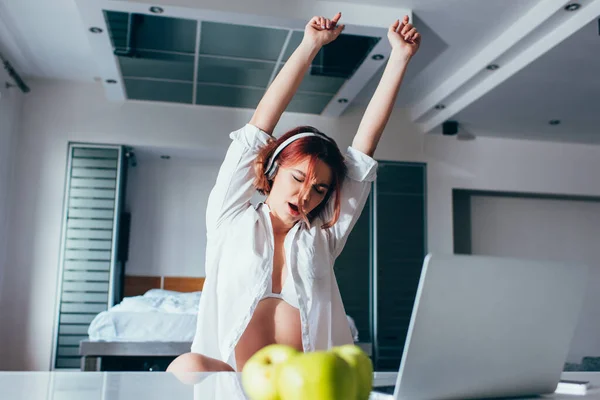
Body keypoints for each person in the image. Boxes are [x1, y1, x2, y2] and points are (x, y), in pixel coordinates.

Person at [167, 12, 421, 373]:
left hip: (305, 388)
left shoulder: (324, 237)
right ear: (272, 171)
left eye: (319, 188)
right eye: (298, 178)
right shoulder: (230, 217)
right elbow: (259, 127)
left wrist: (399, 57)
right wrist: (310, 45)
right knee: (189, 364)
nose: (306, 195)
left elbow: (363, 152)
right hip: (231, 383)